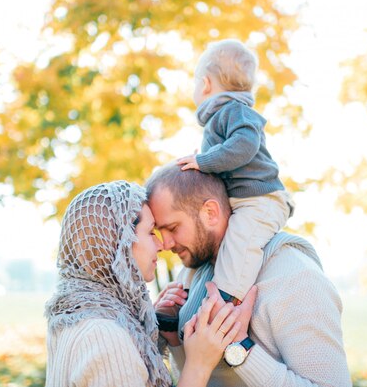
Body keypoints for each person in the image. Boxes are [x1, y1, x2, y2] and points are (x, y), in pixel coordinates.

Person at [147, 165, 352, 387]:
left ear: (210, 213)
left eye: (173, 228)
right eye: (159, 231)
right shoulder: (191, 273)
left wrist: (239, 348)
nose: (165, 244)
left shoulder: (296, 278)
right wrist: (174, 337)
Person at [44, 181, 255, 387]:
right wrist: (198, 365)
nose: (161, 244)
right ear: (121, 244)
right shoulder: (105, 336)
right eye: (150, 231)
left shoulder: (75, 315)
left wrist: (148, 329)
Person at [176, 39, 293, 306]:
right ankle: (183, 294)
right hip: (242, 201)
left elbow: (244, 147)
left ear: (205, 84)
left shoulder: (236, 111)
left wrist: (205, 161)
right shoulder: (222, 117)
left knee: (240, 244)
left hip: (259, 200)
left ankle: (226, 301)